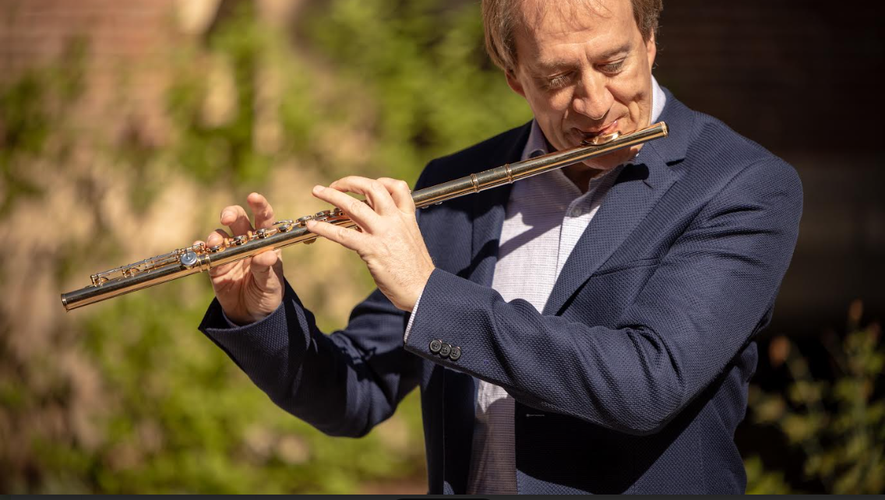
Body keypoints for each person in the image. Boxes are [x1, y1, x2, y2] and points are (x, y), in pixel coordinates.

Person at [198, 0, 803, 494]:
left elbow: (646, 384)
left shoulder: (738, 185)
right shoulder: (459, 186)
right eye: (558, 78)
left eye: (613, 63)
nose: (595, 103)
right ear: (515, 76)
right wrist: (263, 315)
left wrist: (431, 295)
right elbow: (356, 394)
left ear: (649, 40)